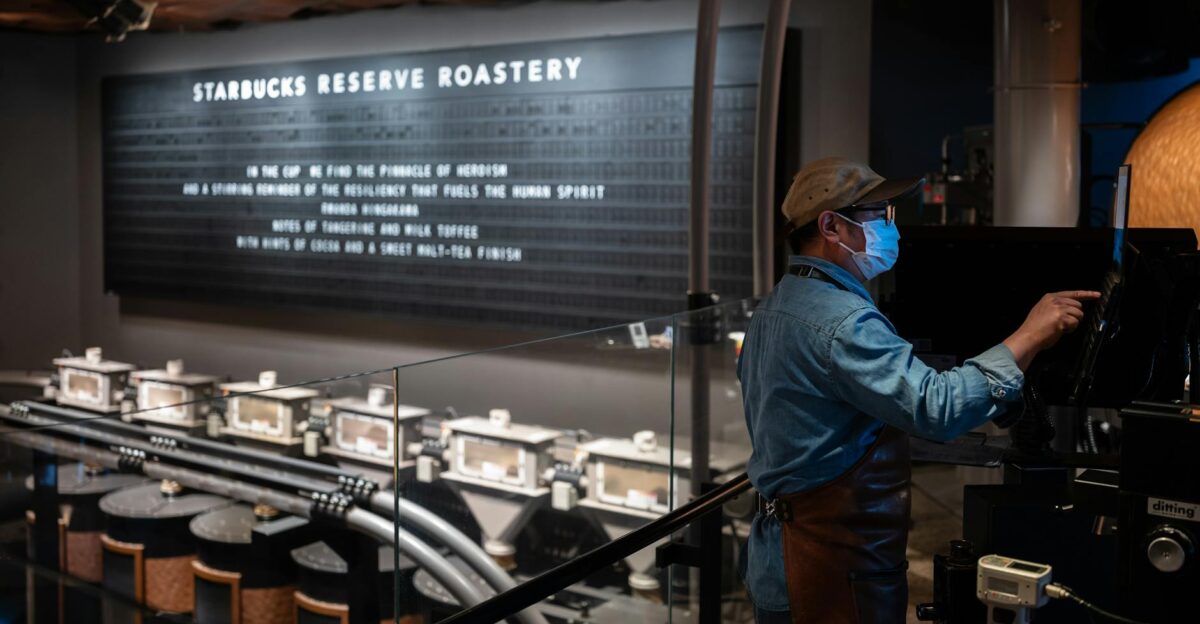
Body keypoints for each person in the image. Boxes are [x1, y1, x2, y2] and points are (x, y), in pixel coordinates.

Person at [737, 157, 1099, 623]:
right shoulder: (842, 322)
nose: (893, 228)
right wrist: (1029, 335)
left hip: (777, 564)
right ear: (831, 225)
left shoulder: (775, 307)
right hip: (829, 572)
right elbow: (937, 409)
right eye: (878, 215)